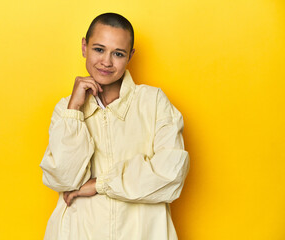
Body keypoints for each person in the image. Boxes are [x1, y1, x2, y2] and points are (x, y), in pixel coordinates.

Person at [39, 12, 190, 240]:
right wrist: (74, 112)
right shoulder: (65, 109)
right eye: (99, 49)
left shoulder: (154, 102)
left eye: (118, 53)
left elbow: (171, 174)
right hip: (78, 233)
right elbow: (63, 178)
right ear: (84, 47)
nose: (106, 62)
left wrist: (100, 184)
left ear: (130, 55)